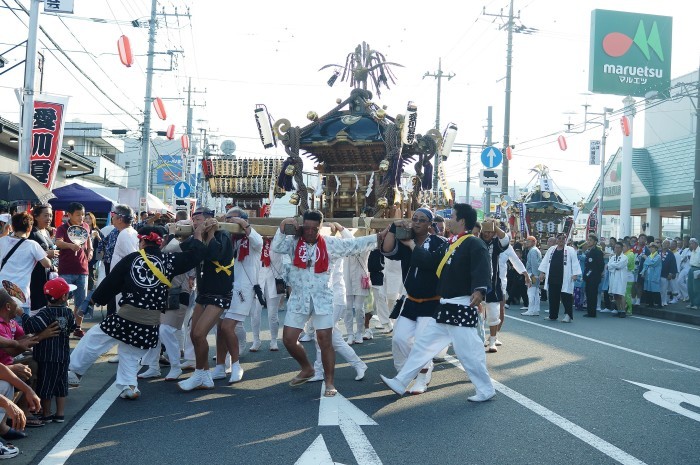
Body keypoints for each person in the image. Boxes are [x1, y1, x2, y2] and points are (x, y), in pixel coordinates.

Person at [68, 225, 206, 399]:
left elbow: (111, 282)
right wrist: (199, 234)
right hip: (150, 323)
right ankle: (129, 386)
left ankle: (74, 372)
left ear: (142, 242)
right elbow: (195, 256)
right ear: (160, 242)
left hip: (127, 317)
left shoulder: (132, 259)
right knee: (131, 353)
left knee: (93, 339)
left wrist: (94, 300)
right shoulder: (169, 260)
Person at [380, 203, 495, 402]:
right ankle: (401, 381)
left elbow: (483, 269)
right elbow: (428, 262)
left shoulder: (473, 244)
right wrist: (411, 245)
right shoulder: (449, 243)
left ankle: (486, 390)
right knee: (422, 347)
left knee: (468, 353)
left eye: (452, 216)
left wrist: (480, 289)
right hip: (444, 306)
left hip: (461, 305)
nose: (449, 220)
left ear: (461, 221)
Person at [273, 210, 377, 397]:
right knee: (288, 339)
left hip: (323, 299)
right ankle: (307, 368)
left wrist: (380, 236)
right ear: (302, 225)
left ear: (321, 228)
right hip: (299, 298)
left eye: (315, 228)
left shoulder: (330, 244)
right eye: (307, 227)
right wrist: (282, 228)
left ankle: (330, 382)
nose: (310, 232)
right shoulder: (293, 242)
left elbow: (354, 245)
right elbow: (277, 247)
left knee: (325, 341)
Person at [379, 207, 447, 395]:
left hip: (431, 301)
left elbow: (430, 263)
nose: (416, 222)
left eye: (422, 220)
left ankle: (423, 377)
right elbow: (386, 249)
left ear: (430, 224)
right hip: (410, 300)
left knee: (422, 343)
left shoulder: (439, 243)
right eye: (414, 218)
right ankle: (408, 372)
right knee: (399, 338)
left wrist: (410, 245)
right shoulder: (405, 237)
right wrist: (393, 227)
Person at [177, 208, 235, 391]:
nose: (195, 222)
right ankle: (203, 375)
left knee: (200, 333)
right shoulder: (198, 235)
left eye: (199, 219)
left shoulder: (223, 234)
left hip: (220, 292)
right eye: (193, 219)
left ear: (209, 220)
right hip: (203, 292)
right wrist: (187, 235)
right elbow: (187, 252)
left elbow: (215, 254)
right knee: (194, 334)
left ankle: (202, 374)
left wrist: (208, 233)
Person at [308, 223, 367, 383]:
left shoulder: (335, 245)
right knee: (332, 338)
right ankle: (358, 364)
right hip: (322, 298)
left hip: (335, 297)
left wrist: (341, 228)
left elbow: (353, 243)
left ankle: (320, 371)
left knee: (321, 335)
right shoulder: (314, 247)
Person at [137, 231, 197, 381]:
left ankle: (175, 367)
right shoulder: (154, 254)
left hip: (178, 295)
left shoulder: (175, 248)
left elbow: (181, 251)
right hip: (160, 297)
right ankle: (153, 367)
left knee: (165, 330)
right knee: (154, 330)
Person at [213, 207, 261, 383]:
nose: (229, 222)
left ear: (242, 219)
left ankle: (236, 365)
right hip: (225, 286)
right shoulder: (227, 239)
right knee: (220, 328)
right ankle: (219, 366)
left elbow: (258, 243)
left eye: (232, 219)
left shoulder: (251, 237)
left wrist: (243, 225)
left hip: (244, 289)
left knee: (227, 327)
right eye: (227, 219)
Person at [19, 277, 77, 422]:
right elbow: (72, 327)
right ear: (64, 297)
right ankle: (60, 413)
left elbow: (31, 326)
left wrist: (22, 314)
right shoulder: (68, 313)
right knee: (62, 384)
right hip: (63, 355)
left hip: (46, 356)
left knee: (46, 385)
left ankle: (46, 413)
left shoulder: (46, 313)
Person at [0, 212, 53, 315]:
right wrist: (45, 255)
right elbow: (47, 264)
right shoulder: (32, 245)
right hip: (20, 295)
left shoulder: (2, 241)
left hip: (1, 292)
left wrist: (5, 231)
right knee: (20, 329)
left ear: (12, 227)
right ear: (29, 228)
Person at [54, 202, 92, 337]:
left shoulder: (86, 226)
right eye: (78, 215)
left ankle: (78, 327)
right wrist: (70, 246)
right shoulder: (62, 228)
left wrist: (90, 250)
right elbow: (57, 242)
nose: (81, 217)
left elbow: (88, 241)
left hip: (82, 269)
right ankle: (62, 328)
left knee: (81, 302)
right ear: (69, 215)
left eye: (82, 214)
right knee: (62, 300)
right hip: (66, 269)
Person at [479, 219, 510, 352]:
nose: (487, 233)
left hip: (493, 284)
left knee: (493, 314)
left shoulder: (496, 243)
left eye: (490, 231)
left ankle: (492, 340)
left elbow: (505, 240)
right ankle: (479, 340)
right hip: (476, 283)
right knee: (477, 314)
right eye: (485, 230)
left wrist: (495, 227)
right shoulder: (475, 241)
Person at [251, 235, 284, 352]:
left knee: (272, 314)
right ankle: (256, 340)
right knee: (255, 312)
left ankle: (274, 340)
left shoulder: (279, 243)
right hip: (258, 280)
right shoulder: (257, 242)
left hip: (274, 280)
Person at [539, 233, 581, 323]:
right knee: (553, 297)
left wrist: (575, 274)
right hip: (552, 276)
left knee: (566, 297)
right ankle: (553, 315)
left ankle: (568, 315)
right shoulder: (551, 249)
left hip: (565, 277)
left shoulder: (570, 250)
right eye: (559, 238)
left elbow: (575, 262)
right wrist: (542, 272)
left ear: (565, 240)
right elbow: (545, 261)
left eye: (563, 238)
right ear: (556, 240)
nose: (561, 240)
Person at [28, 205, 58, 314]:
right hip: (35, 276)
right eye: (45, 215)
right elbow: (27, 254)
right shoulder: (32, 233)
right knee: (37, 306)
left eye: (50, 215)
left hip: (48, 274)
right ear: (36, 216)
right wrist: (47, 253)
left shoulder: (46, 231)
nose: (49, 218)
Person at [582, 234, 604, 318]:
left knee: (592, 294)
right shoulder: (589, 251)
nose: (588, 241)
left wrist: (596, 274)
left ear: (595, 242)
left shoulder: (597, 252)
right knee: (588, 293)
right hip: (588, 276)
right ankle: (589, 311)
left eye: (590, 240)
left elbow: (600, 265)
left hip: (594, 277)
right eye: (588, 240)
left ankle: (592, 312)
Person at [606, 242, 628, 318]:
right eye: (616, 247)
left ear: (622, 248)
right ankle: (619, 310)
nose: (617, 249)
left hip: (621, 277)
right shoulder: (612, 257)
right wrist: (613, 265)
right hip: (614, 277)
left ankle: (623, 311)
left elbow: (620, 265)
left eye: (619, 247)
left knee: (621, 294)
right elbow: (608, 266)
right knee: (615, 295)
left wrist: (613, 265)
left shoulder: (624, 257)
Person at [521, 236, 542, 316]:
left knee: (531, 292)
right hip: (535, 273)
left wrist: (534, 275)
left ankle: (531, 310)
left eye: (529, 241)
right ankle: (536, 310)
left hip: (532, 274)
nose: (527, 242)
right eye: (527, 241)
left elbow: (534, 263)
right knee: (536, 292)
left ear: (534, 242)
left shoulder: (532, 251)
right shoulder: (536, 250)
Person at [642, 243, 662, 307]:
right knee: (648, 289)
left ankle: (658, 303)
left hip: (654, 275)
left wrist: (646, 258)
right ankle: (650, 303)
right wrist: (643, 272)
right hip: (648, 275)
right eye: (650, 247)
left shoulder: (658, 256)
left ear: (656, 249)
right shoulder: (650, 256)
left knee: (655, 289)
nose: (651, 248)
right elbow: (645, 265)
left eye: (653, 247)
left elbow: (652, 263)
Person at [659, 240, 678, 307]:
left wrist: (671, 273)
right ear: (662, 244)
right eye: (665, 243)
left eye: (667, 244)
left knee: (664, 289)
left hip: (665, 274)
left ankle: (664, 301)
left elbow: (673, 264)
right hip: (657, 274)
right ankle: (658, 301)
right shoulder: (658, 252)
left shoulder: (670, 254)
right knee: (658, 289)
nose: (666, 245)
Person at [687, 238, 700, 309]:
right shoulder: (692, 251)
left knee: (696, 288)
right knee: (690, 287)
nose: (690, 245)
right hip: (691, 268)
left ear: (695, 243)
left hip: (697, 269)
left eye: (691, 243)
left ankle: (697, 304)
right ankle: (692, 303)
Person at [623, 242, 636, 315]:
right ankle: (625, 308)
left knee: (627, 293)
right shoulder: (625, 254)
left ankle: (629, 310)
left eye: (624, 246)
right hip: (625, 275)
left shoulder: (630, 254)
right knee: (624, 293)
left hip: (628, 276)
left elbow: (626, 264)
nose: (623, 248)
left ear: (628, 247)